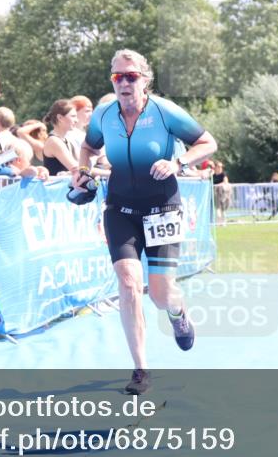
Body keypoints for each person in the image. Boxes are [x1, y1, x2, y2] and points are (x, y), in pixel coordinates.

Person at [73, 49, 217, 395]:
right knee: (128, 282)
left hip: (162, 206)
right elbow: (88, 150)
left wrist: (179, 163)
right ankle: (140, 369)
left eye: (131, 76)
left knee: (161, 293)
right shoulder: (104, 115)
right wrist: (81, 173)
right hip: (120, 207)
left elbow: (207, 142)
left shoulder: (165, 112)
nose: (124, 82)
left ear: (145, 79)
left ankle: (178, 312)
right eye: (117, 77)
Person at [42, 99, 80, 176]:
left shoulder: (66, 140)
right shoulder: (54, 141)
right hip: (57, 187)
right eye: (73, 116)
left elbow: (81, 165)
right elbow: (77, 169)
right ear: (60, 118)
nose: (77, 120)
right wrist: (108, 173)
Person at [212, 160, 231, 226]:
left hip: (223, 193)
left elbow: (225, 182)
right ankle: (218, 222)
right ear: (215, 167)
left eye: (221, 167)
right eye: (219, 166)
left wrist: (217, 185)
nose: (220, 168)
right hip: (215, 193)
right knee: (218, 208)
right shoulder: (213, 175)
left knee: (223, 209)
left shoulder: (223, 174)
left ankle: (223, 222)